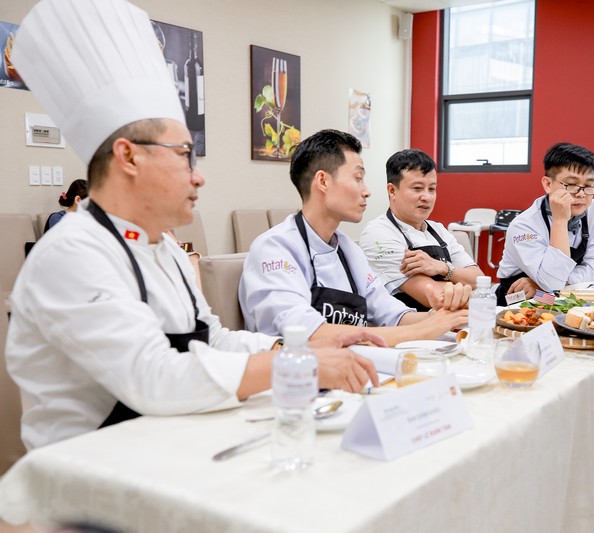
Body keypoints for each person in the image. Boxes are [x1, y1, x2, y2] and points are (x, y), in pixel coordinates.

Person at [6, 0, 380, 451]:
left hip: (171, 441)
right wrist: (297, 366)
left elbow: (212, 338)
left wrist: (292, 351)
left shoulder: (164, 249)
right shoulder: (72, 253)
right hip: (90, 466)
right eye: (185, 156)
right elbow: (153, 377)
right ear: (128, 157)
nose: (198, 176)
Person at [239, 130, 469, 346]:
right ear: (323, 181)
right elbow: (306, 334)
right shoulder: (275, 248)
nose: (366, 191)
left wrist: (446, 317)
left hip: (351, 365)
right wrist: (424, 330)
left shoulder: (349, 250)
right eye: (358, 178)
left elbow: (393, 315)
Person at [359, 149, 482, 311]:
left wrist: (443, 268)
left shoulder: (438, 230)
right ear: (392, 191)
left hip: (453, 320)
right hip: (412, 324)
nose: (427, 197)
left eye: (432, 189)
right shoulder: (378, 233)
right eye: (417, 188)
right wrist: (470, 287)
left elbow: (480, 280)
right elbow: (436, 297)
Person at [495, 142, 594, 303]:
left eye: (588, 185)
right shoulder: (524, 225)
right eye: (571, 185)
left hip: (561, 295)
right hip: (519, 298)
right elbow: (552, 283)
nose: (581, 194)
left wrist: (552, 284)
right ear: (548, 184)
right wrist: (560, 220)